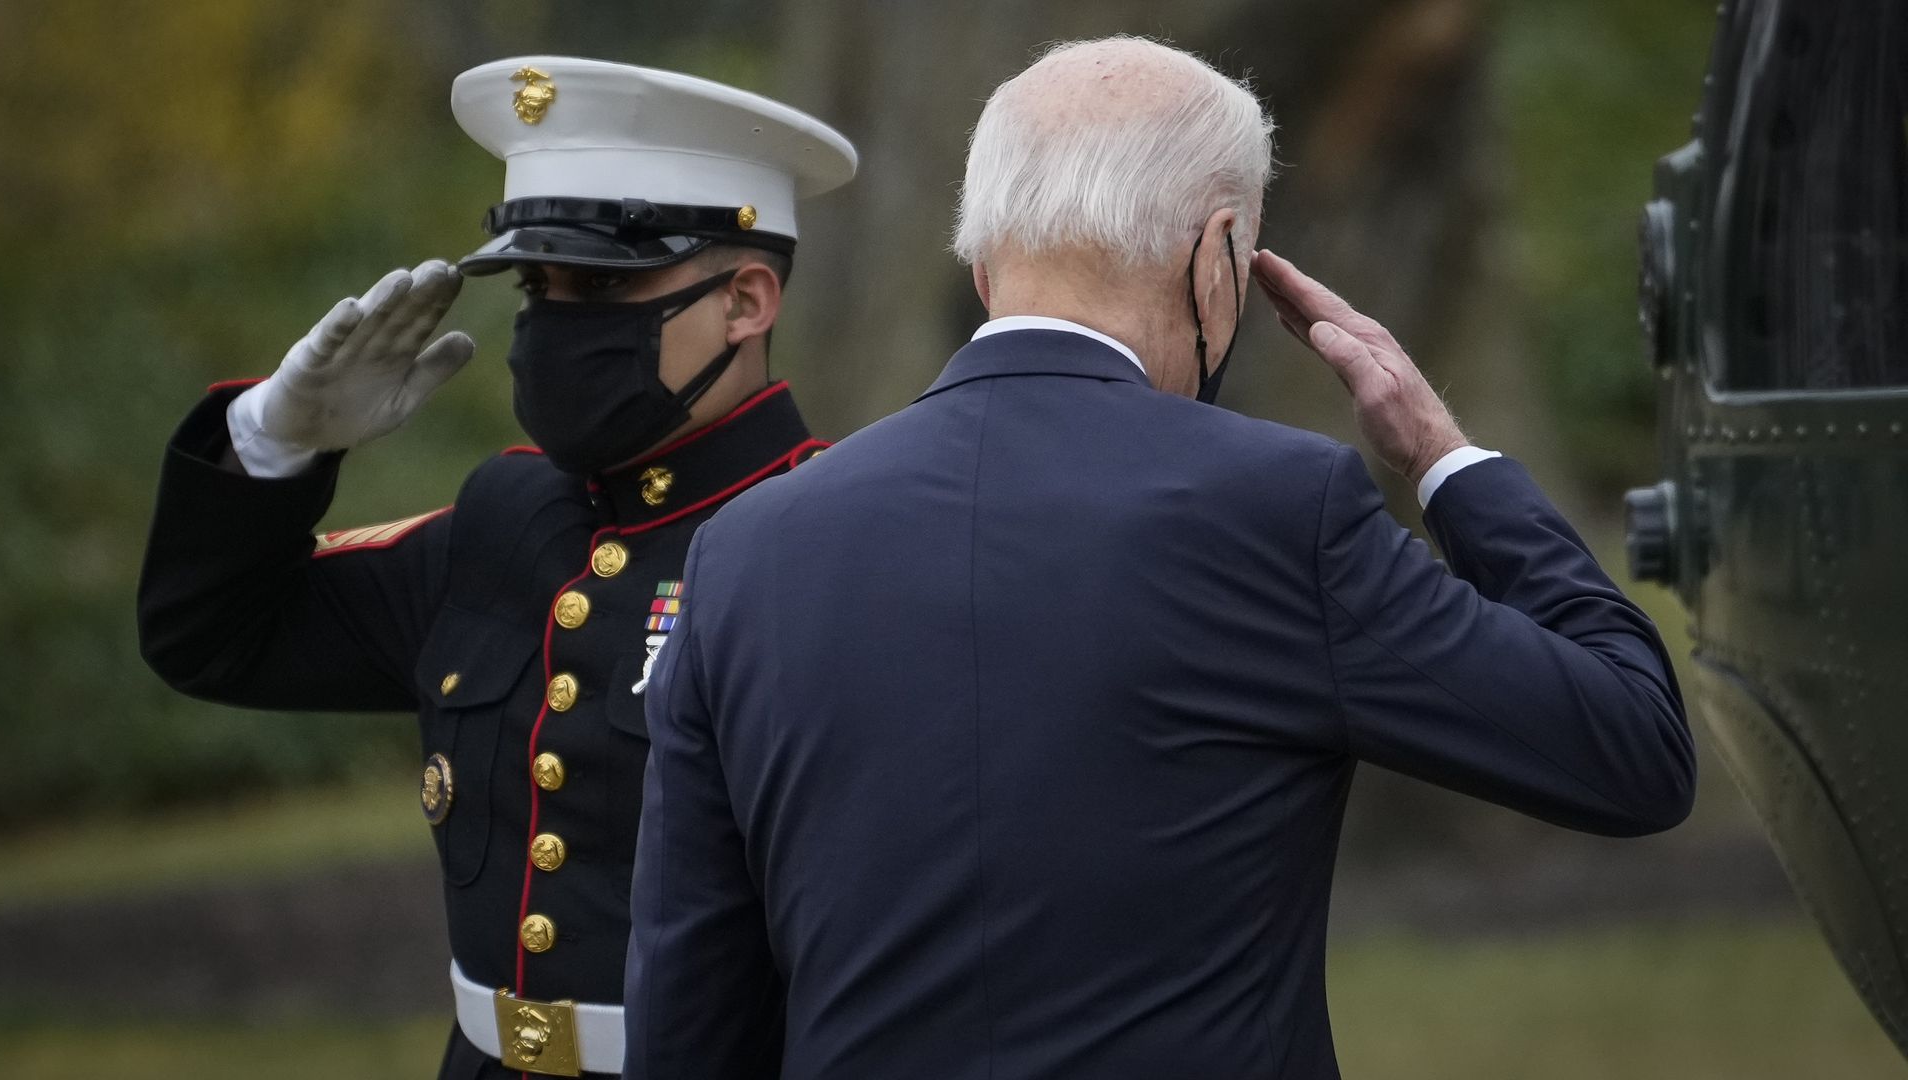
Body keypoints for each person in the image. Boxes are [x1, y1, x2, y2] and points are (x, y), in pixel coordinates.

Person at [623, 36, 1696, 1080]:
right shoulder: (1276, 510)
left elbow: (688, 1018)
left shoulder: (750, 546)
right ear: (1219, 253)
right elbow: (1631, 744)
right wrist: (1445, 459)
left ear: (985, 260)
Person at [137, 56, 855, 1078]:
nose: (556, 321)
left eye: (602, 286)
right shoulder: (509, 520)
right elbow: (213, 640)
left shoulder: (832, 540)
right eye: (538, 285)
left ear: (746, 300)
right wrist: (271, 442)